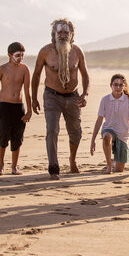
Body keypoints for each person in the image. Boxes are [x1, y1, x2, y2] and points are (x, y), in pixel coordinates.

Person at [32, 18, 90, 180]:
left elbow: (85, 75)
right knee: (52, 130)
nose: (63, 35)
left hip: (73, 97)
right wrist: (34, 98)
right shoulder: (45, 52)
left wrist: (85, 94)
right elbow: (36, 75)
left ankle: (72, 160)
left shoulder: (77, 52)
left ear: (72, 35)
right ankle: (53, 167)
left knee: (75, 133)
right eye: (60, 32)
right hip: (52, 96)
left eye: (66, 32)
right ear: (54, 34)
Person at [0, 42, 32, 175]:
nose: (20, 58)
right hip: (5, 106)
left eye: (22, 55)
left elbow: (27, 91)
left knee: (17, 137)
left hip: (18, 107)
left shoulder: (25, 69)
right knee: (3, 135)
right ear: (10, 55)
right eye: (18, 55)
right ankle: (0, 164)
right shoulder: (2, 69)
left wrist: (29, 111)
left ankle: (14, 167)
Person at [90, 74, 129, 174]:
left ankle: (114, 161)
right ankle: (109, 166)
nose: (118, 87)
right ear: (111, 85)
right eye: (115, 85)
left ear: (124, 86)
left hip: (123, 135)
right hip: (109, 129)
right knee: (107, 137)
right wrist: (92, 140)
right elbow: (99, 120)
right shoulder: (105, 99)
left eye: (121, 85)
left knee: (119, 170)